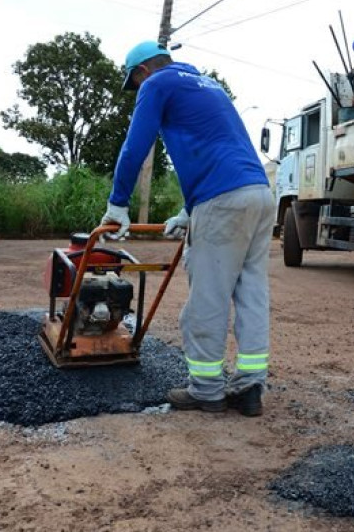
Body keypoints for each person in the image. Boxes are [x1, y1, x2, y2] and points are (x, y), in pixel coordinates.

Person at [100, 41, 274, 417]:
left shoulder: (157, 84)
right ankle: (249, 389)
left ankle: (207, 390)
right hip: (259, 194)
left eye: (133, 84)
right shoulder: (209, 85)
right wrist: (188, 210)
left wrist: (118, 204)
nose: (136, 92)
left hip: (223, 200)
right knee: (251, 294)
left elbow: (135, 147)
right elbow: (220, 152)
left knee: (207, 300)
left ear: (142, 71)